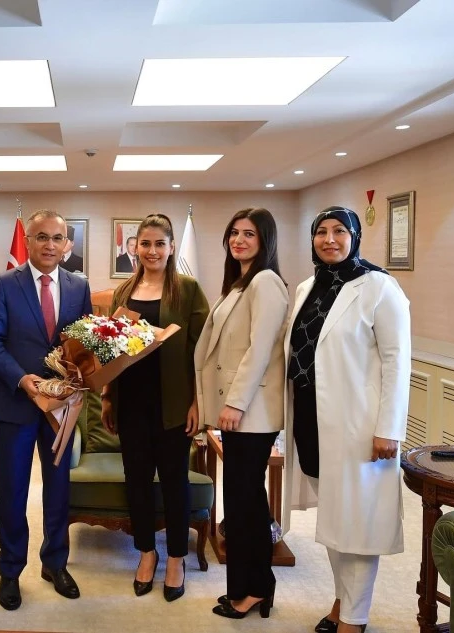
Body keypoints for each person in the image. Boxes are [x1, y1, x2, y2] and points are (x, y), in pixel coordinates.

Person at [283, 206, 411, 633]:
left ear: (355, 236)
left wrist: (389, 429)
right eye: (321, 231)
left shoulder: (379, 287)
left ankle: (354, 619)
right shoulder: (308, 286)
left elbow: (397, 362)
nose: (330, 239)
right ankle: (343, 602)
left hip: (360, 427)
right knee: (335, 519)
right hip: (312, 419)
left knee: (358, 522)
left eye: (340, 230)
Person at [0, 209, 93, 611]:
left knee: (58, 487)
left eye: (57, 238)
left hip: (61, 408)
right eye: (41, 237)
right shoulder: (4, 284)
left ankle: (55, 563)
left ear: (67, 245)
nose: (49, 245)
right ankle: (10, 570)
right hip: (17, 403)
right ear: (27, 241)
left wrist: (79, 373)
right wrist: (21, 379)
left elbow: (84, 342)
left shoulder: (79, 286)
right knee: (12, 489)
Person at [101, 213, 209, 602]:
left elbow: (203, 351)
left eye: (159, 244)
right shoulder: (123, 291)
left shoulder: (188, 290)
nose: (152, 251)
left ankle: (176, 558)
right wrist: (108, 396)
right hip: (131, 403)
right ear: (135, 247)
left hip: (173, 404)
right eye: (145, 243)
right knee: (137, 481)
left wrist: (198, 402)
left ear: (172, 247)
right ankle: (146, 553)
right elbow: (111, 349)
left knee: (175, 483)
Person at [193, 208, 289, 619]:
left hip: (252, 412)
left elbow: (260, 349)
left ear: (265, 240)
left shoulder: (266, 281)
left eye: (249, 233)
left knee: (245, 503)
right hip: (241, 412)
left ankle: (255, 589)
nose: (239, 240)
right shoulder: (239, 284)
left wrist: (235, 403)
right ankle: (249, 587)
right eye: (234, 232)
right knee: (243, 500)